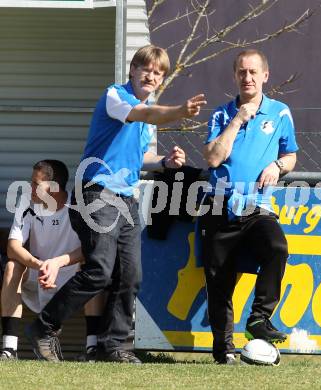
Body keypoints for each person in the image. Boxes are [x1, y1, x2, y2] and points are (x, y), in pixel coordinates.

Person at [25, 44, 206, 363]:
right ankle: (43, 326)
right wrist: (178, 112)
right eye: (146, 69)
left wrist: (164, 161)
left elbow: (141, 156)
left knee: (130, 275)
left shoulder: (148, 115)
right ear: (133, 70)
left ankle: (116, 345)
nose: (152, 75)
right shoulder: (115, 96)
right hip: (96, 190)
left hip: (126, 197)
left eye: (159, 72)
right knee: (99, 270)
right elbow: (140, 113)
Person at [200, 49, 298, 364]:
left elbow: (292, 155)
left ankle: (259, 318)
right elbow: (213, 158)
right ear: (235, 76)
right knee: (219, 282)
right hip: (219, 205)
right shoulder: (221, 114)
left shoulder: (281, 113)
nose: (248, 77)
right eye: (242, 72)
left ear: (265, 75)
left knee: (276, 247)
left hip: (257, 207)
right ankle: (224, 351)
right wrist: (238, 118)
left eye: (254, 72)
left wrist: (278, 165)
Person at [0, 160, 104, 360]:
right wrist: (40, 265)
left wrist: (57, 263)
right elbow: (13, 248)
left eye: (36, 185)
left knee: (94, 268)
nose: (30, 189)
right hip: (38, 273)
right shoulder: (27, 204)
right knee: (12, 266)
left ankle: (93, 349)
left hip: (71, 276)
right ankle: (9, 349)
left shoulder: (79, 206)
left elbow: (91, 247)